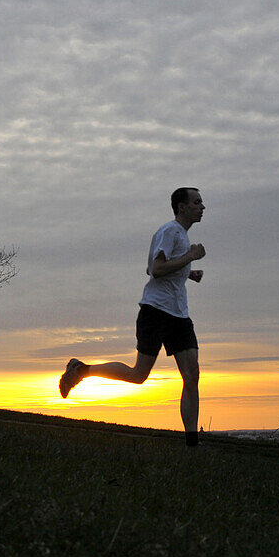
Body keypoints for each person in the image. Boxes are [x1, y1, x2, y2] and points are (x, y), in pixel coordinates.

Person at [59, 187, 206, 446]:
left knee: (191, 374)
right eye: (197, 202)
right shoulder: (170, 231)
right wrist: (190, 257)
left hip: (179, 315)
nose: (202, 207)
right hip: (156, 312)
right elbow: (157, 269)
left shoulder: (178, 235)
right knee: (138, 375)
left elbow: (150, 266)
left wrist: (188, 273)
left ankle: (192, 443)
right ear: (182, 207)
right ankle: (81, 370)